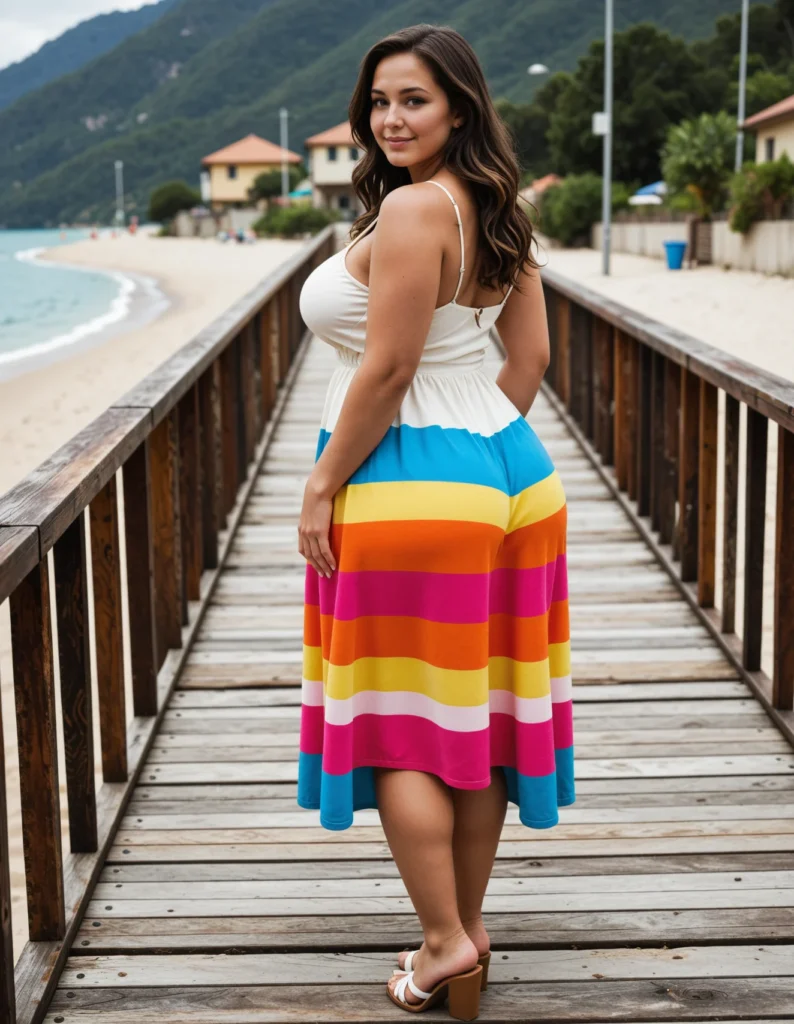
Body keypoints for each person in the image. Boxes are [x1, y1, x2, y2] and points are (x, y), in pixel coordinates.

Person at [296, 23, 575, 1020]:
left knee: (398, 729)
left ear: (457, 104)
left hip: (406, 478)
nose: (389, 118)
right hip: (509, 471)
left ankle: (447, 936)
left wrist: (323, 483)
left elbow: (388, 367)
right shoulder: (498, 207)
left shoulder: (416, 209)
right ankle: (457, 940)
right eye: (377, 101)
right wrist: (479, 455)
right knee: (477, 717)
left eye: (412, 99)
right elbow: (529, 362)